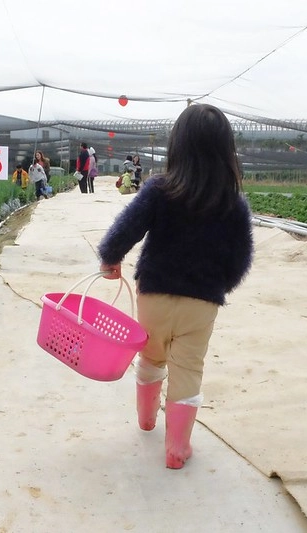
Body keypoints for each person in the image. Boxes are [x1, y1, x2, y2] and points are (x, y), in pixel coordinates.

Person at [97, 104, 253, 469]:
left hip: (154, 295)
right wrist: (220, 285)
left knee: (151, 357)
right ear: (226, 151)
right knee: (188, 370)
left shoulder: (159, 189)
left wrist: (110, 257)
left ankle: (147, 419)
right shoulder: (233, 203)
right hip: (202, 303)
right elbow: (240, 259)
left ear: (176, 147)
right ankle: (177, 447)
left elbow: (126, 228)